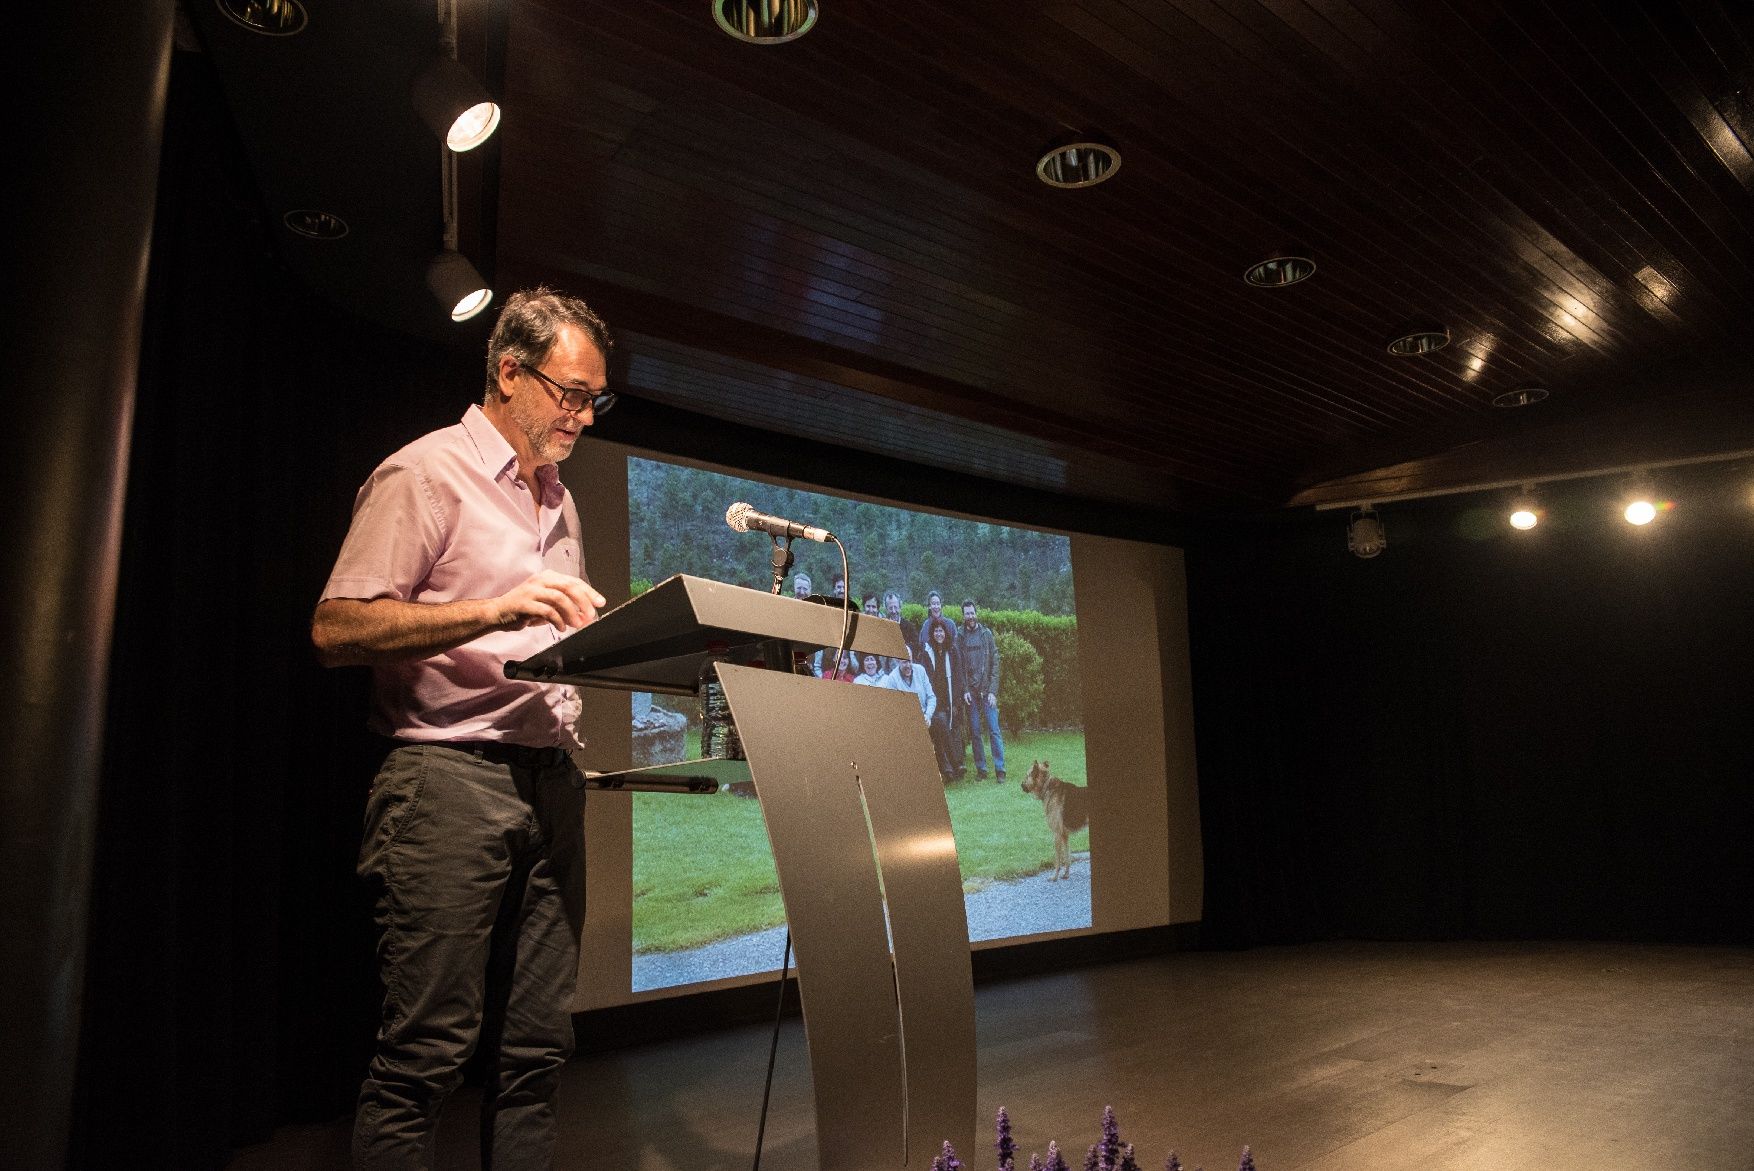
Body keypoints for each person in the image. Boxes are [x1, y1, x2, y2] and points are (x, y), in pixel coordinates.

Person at [311, 287, 613, 1169]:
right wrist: (495, 610)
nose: (585, 417)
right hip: (447, 784)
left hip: (552, 782)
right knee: (424, 1057)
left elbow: (550, 635)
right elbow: (336, 627)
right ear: (509, 372)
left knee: (537, 1054)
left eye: (597, 400)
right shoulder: (425, 472)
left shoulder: (560, 499)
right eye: (572, 393)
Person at [958, 598, 1006, 781]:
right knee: (976, 732)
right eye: (967, 613)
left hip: (987, 693)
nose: (970, 616)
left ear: (976, 613)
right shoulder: (959, 636)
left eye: (972, 612)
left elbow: (995, 664)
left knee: (994, 730)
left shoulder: (986, 634)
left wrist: (993, 691)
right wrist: (964, 690)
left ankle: (1000, 770)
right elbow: (959, 667)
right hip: (971, 694)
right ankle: (982, 770)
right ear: (963, 615)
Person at [918, 620, 960, 781]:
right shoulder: (927, 652)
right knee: (940, 729)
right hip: (932, 701)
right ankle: (949, 766)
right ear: (932, 634)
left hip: (949, 699)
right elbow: (925, 679)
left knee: (950, 730)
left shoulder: (952, 651)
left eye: (941, 631)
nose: (939, 634)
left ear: (946, 632)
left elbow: (958, 676)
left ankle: (954, 765)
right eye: (936, 631)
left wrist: (956, 701)